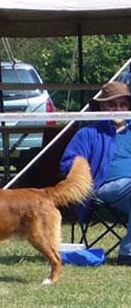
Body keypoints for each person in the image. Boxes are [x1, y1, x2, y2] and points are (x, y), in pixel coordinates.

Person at [60, 81, 131, 265]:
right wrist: (85, 176)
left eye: (123, 104)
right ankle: (128, 253)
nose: (118, 108)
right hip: (102, 190)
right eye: (112, 104)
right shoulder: (88, 133)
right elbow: (68, 164)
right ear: (102, 106)